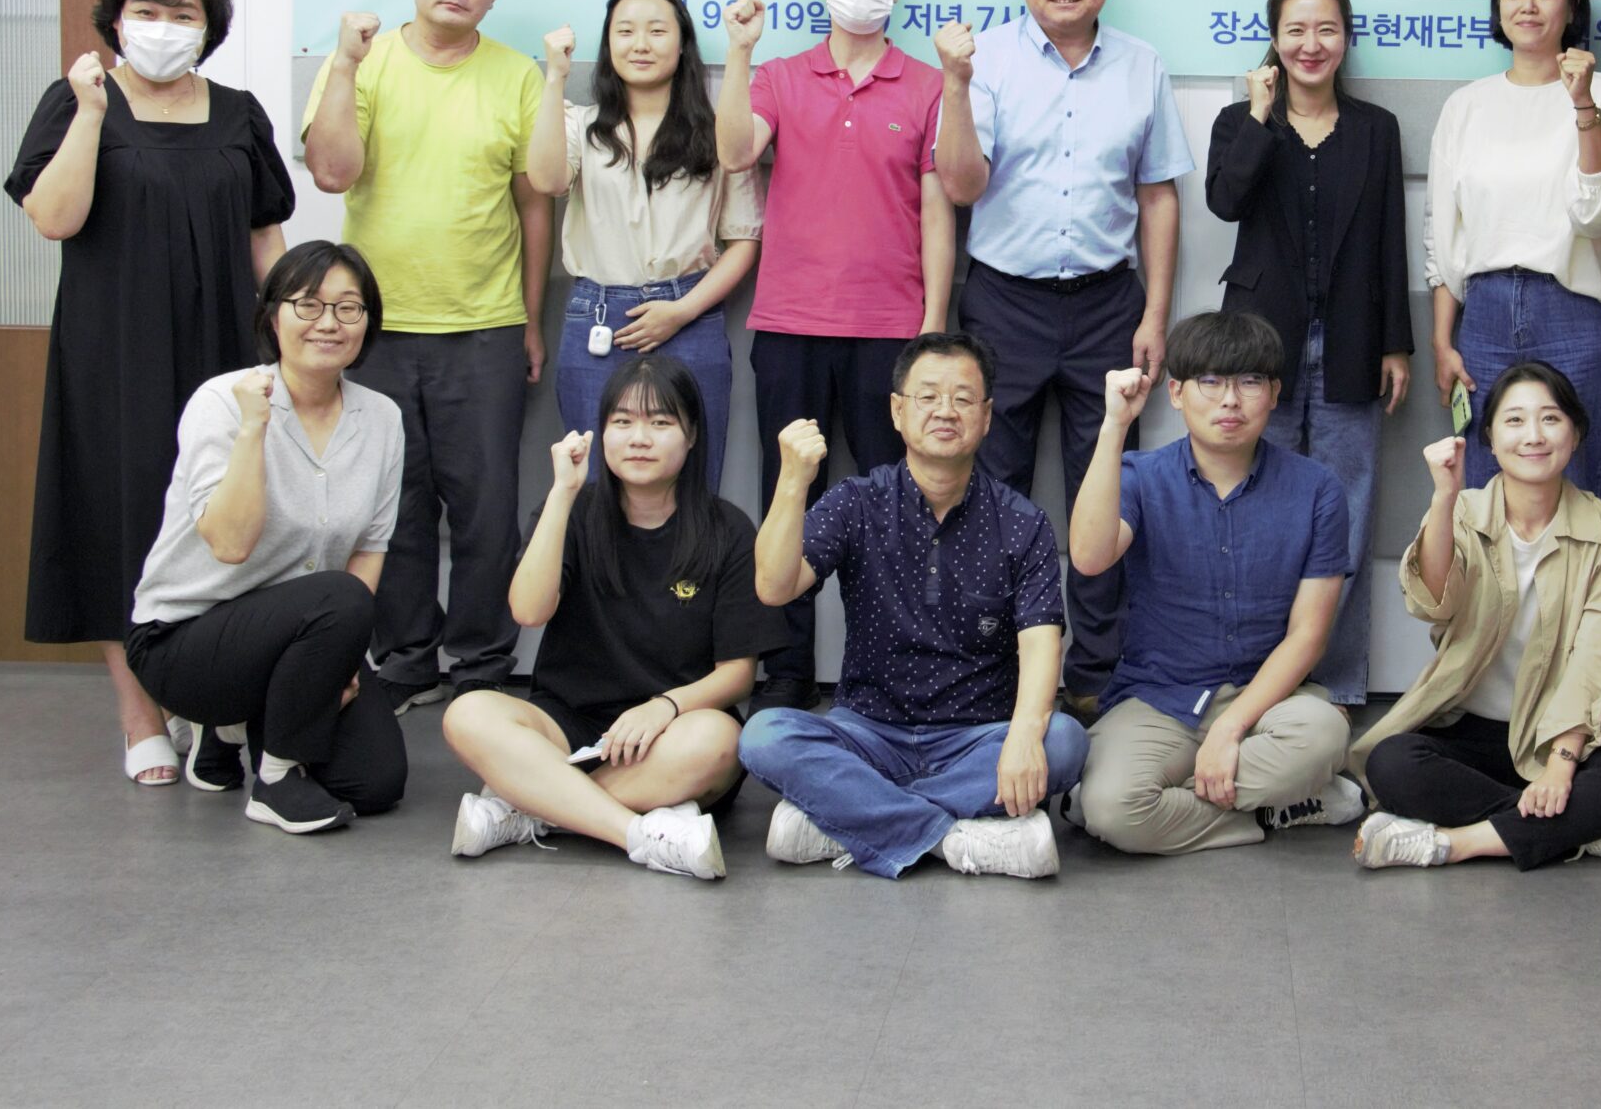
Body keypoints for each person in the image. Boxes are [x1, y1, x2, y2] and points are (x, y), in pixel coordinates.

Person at [7, 0, 293, 787]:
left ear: (209, 27)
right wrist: (93, 111)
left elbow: (266, 235)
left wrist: (290, 336)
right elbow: (54, 218)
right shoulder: (77, 101)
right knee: (119, 517)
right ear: (116, 18)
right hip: (113, 350)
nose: (163, 27)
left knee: (224, 519)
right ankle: (139, 715)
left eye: (183, 14)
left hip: (222, 347)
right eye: (148, 12)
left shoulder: (238, 114)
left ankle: (208, 703)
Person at [932, 0, 1194, 714]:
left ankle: (1096, 676)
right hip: (1003, 301)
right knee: (990, 488)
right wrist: (955, 84)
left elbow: (1158, 196)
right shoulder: (986, 59)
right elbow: (960, 185)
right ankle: (992, 671)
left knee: (1105, 486)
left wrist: (1154, 315)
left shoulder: (1142, 65)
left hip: (1108, 303)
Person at [302, 0, 546, 716]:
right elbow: (332, 172)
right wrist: (345, 65)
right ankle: (405, 657)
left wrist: (531, 317)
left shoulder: (516, 75)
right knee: (394, 506)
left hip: (485, 324)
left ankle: (481, 660)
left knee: (486, 507)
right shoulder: (360, 63)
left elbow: (535, 206)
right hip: (374, 328)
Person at [737, 333, 1086, 880]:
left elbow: (1041, 643)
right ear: (897, 411)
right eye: (928, 397)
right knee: (764, 736)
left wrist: (1022, 736)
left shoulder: (1023, 522)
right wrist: (792, 481)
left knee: (1064, 741)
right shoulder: (855, 501)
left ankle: (846, 819)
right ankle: (952, 838)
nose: (945, 410)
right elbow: (773, 587)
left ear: (986, 417)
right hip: (867, 733)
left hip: (976, 736)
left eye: (963, 398)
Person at [716, 0, 953, 710]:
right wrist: (738, 52)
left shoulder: (925, 84)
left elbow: (937, 213)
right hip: (791, 323)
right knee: (792, 499)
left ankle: (887, 665)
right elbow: (735, 152)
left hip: (891, 331)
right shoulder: (780, 76)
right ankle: (785, 669)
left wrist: (933, 327)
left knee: (897, 506)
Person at [443, 358, 779, 881]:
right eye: (622, 422)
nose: (639, 438)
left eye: (660, 422)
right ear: (602, 433)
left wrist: (663, 707)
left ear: (692, 435)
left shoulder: (728, 530)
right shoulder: (573, 509)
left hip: (669, 733)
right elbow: (528, 611)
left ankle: (528, 806)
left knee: (718, 740)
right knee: (468, 713)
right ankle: (636, 833)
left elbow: (736, 675)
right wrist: (561, 494)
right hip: (567, 725)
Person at [122, 242, 406, 834]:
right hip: (186, 640)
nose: (329, 322)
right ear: (273, 316)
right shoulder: (224, 402)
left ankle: (232, 733)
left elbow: (370, 547)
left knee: (375, 783)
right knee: (339, 598)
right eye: (309, 305)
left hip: (302, 637)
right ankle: (275, 777)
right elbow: (229, 544)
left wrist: (341, 656)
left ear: (367, 323)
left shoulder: (381, 418)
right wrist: (254, 427)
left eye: (348, 308)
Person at [1349, 362, 1601, 873]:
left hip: (1559, 735)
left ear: (1575, 435)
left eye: (1551, 419)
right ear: (1491, 441)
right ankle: (1581, 832)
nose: (1534, 436)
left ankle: (1458, 842)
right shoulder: (1464, 510)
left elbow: (1598, 658)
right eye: (1515, 420)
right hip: (1472, 731)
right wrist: (1443, 498)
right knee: (1392, 763)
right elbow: (1432, 602)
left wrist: (1561, 765)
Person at [1067, 312, 1361, 855]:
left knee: (1323, 734)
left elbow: (1308, 636)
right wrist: (1113, 426)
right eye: (1210, 382)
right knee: (1110, 808)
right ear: (1176, 393)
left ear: (1274, 394)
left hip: (1267, 699)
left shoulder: (1316, 489)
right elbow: (1088, 557)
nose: (1230, 400)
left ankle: (1185, 799)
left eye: (1249, 382)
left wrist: (1230, 730)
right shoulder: (1140, 475)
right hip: (1160, 698)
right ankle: (1278, 810)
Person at [1205, 0, 1413, 707]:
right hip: (1260, 348)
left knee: (1345, 511)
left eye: (1326, 28)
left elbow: (1389, 238)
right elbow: (1226, 201)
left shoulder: (1375, 128)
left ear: (1346, 37)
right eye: (1295, 29)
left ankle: (1334, 684)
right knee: (1256, 503)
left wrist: (1396, 343)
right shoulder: (1241, 121)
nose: (1311, 43)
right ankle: (1254, 680)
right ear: (1275, 39)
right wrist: (1261, 117)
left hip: (1352, 340)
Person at [1424, 0, 1601, 499]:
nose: (1527, 6)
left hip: (1576, 310)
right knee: (1485, 489)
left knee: (1581, 487)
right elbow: (1442, 232)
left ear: (1572, 6)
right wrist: (1442, 340)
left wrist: (1582, 104)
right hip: (1484, 314)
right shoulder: (1466, 105)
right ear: (1498, 6)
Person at [531, 0, 760, 493]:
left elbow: (744, 242)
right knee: (593, 483)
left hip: (690, 316)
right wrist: (555, 78)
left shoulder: (720, 131)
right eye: (625, 31)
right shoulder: (582, 124)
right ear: (608, 44)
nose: (640, 44)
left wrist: (681, 311)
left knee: (692, 484)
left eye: (657, 31)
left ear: (682, 44)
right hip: (597, 316)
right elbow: (546, 180)